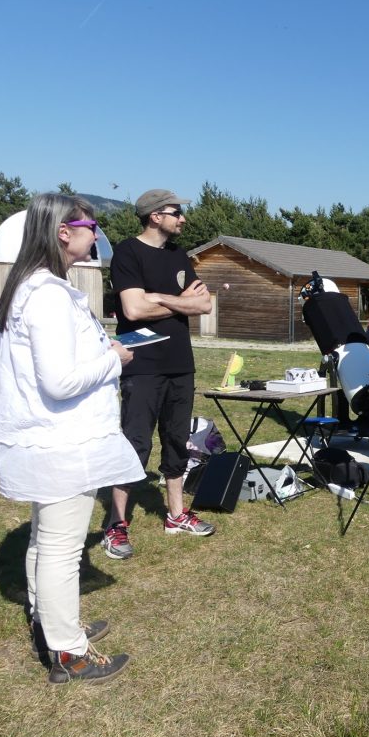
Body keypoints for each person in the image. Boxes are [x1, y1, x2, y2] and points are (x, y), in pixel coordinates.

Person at [0, 193, 141, 683]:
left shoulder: (34, 287)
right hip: (62, 443)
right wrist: (115, 357)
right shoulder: (46, 293)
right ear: (62, 233)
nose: (97, 232)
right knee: (61, 548)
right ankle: (68, 650)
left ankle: (50, 622)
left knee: (46, 539)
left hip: (49, 440)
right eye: (90, 223)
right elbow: (59, 381)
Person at [103, 189, 216, 560]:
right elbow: (133, 310)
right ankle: (116, 524)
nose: (183, 218)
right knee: (135, 443)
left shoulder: (178, 255)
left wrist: (161, 298)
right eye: (176, 212)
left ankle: (176, 514)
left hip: (180, 363)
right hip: (143, 364)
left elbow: (203, 303)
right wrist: (177, 301)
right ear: (155, 216)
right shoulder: (127, 252)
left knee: (176, 439)